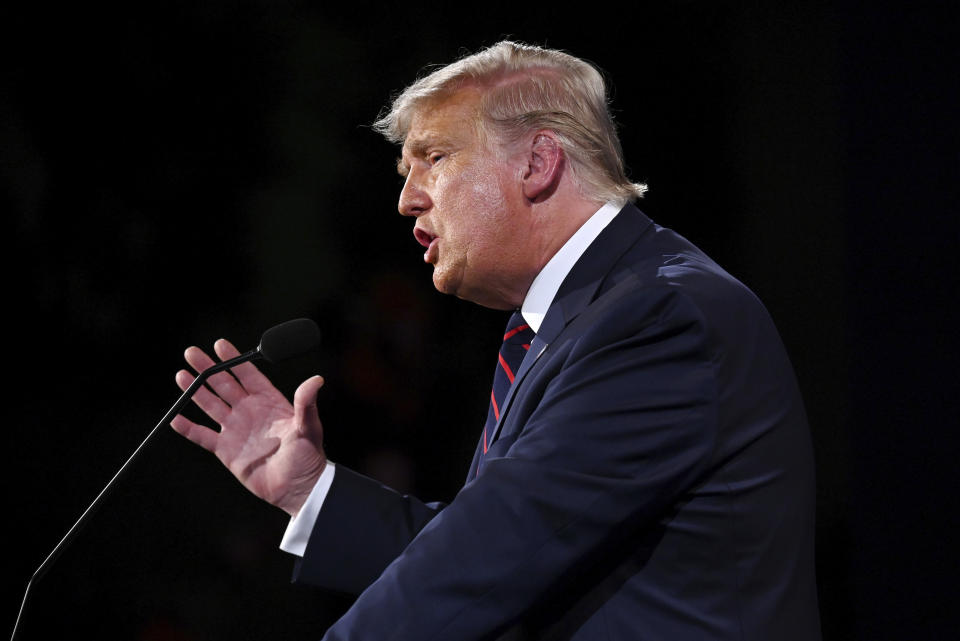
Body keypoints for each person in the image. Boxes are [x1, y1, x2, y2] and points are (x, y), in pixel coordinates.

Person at [172, 41, 821, 640]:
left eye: (434, 157)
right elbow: (495, 553)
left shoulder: (657, 317)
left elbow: (487, 559)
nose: (406, 199)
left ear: (538, 162)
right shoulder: (571, 322)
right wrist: (309, 490)